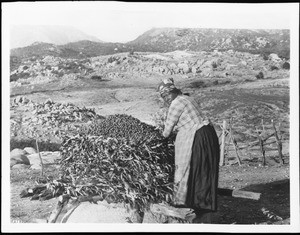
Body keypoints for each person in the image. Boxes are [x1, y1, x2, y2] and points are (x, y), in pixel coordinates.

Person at [157, 78, 220, 223]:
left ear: (174, 91)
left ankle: (192, 204)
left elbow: (166, 132)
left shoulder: (176, 103)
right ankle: (204, 203)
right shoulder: (187, 98)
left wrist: (158, 139)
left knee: (192, 168)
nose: (167, 98)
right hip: (208, 134)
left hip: (198, 137)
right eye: (164, 96)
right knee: (203, 170)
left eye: (168, 94)